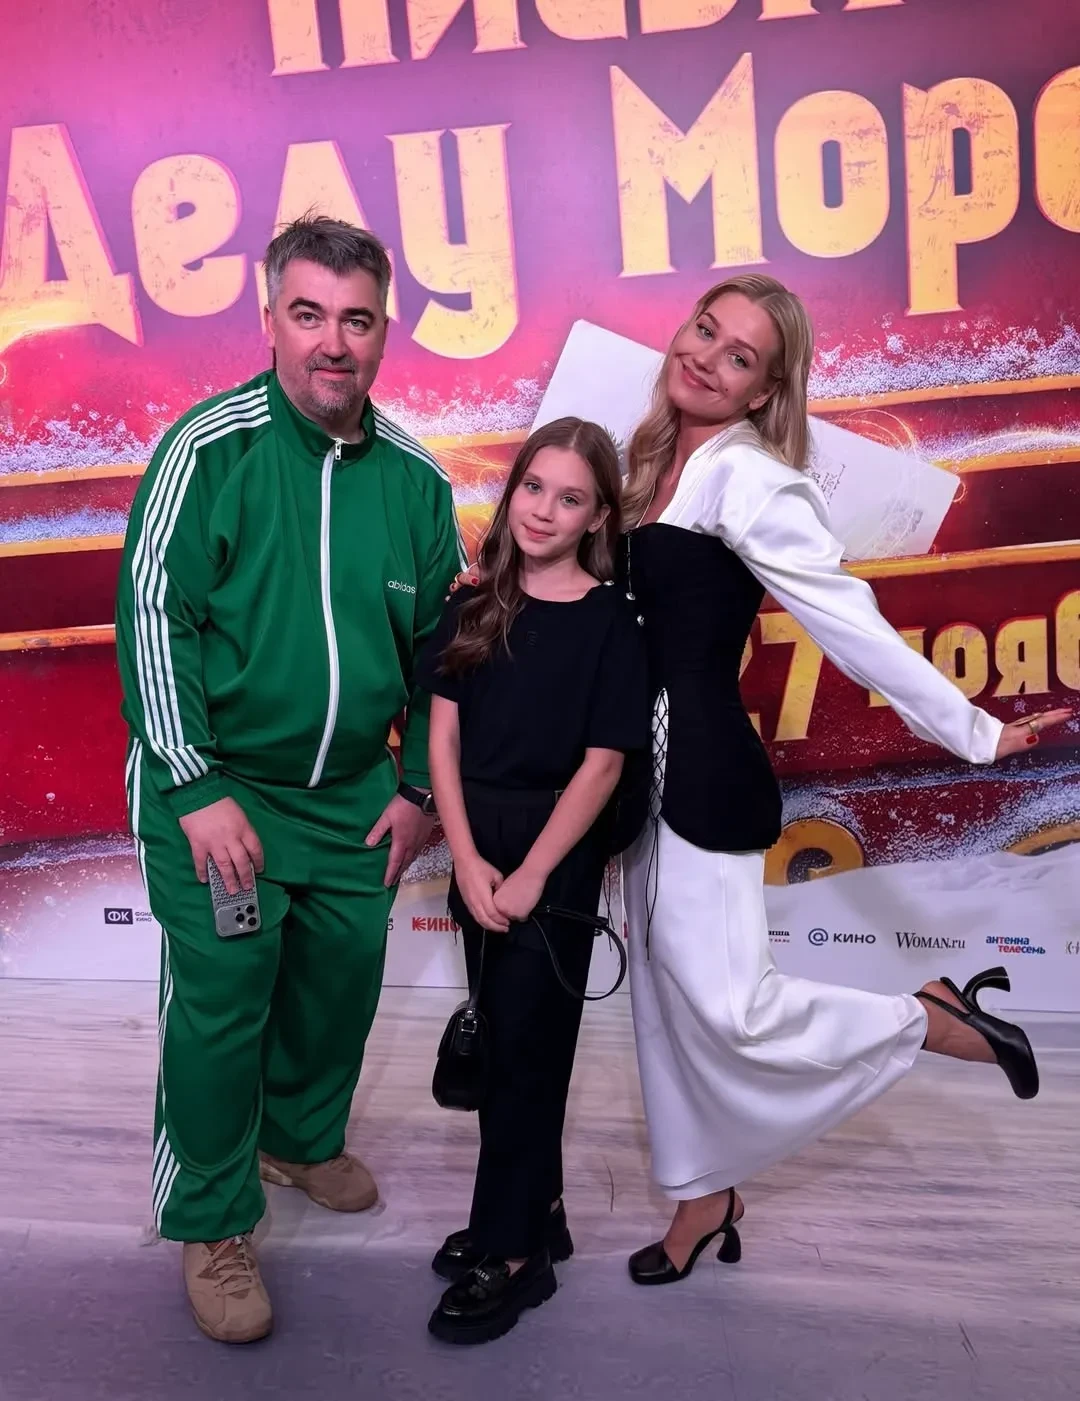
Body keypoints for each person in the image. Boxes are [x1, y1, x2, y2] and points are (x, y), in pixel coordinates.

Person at [612, 274, 1073, 1284]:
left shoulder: (751, 479)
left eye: (739, 356)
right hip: (632, 773)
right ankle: (702, 1197)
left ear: (763, 390)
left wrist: (976, 733)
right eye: (705, 330)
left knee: (731, 1008)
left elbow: (848, 623)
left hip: (699, 772)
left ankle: (929, 1016)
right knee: (663, 1003)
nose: (706, 357)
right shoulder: (646, 461)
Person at [115, 215, 465, 1343]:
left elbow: (448, 655)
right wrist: (192, 783)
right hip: (220, 785)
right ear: (269, 319)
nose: (333, 341)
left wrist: (417, 792)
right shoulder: (206, 450)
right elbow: (153, 619)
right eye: (308, 313)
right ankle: (212, 1219)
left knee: (340, 980)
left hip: (356, 790)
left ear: (384, 331)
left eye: (356, 319)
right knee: (223, 998)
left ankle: (299, 1140)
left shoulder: (416, 482)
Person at [416, 417, 649, 1345]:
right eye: (534, 487)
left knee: (527, 1052)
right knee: (504, 1036)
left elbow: (603, 763)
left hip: (556, 851)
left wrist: (532, 873)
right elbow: (441, 738)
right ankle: (534, 1209)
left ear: (598, 518)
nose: (545, 510)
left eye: (571, 497)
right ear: (512, 490)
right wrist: (466, 855)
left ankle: (515, 1256)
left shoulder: (611, 621)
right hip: (477, 843)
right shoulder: (473, 605)